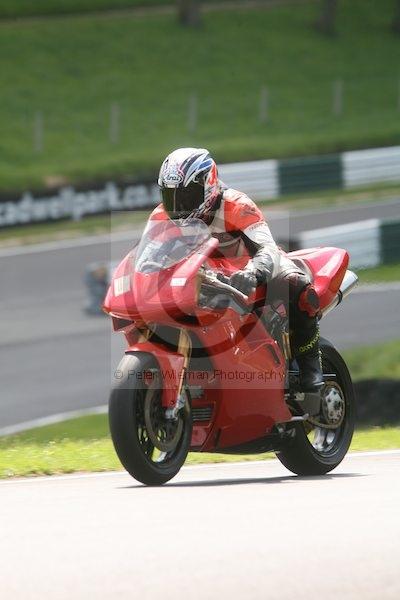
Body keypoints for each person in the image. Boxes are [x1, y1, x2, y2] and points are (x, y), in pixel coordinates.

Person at [153, 147, 324, 392]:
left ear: (208, 185)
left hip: (249, 274)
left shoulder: (236, 205)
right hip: (202, 279)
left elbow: (267, 248)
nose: (178, 205)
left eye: (186, 196)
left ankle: (311, 367)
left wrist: (253, 272)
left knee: (296, 285)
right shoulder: (161, 217)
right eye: (171, 196)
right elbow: (149, 258)